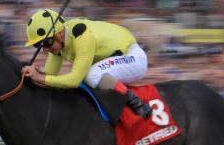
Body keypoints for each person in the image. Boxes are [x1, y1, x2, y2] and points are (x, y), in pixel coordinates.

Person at [21, 8, 152, 119]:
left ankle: (134, 101)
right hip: (115, 60)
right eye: (39, 45)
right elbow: (49, 77)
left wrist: (39, 77)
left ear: (60, 33)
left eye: (46, 42)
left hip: (132, 58)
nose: (45, 49)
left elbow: (74, 80)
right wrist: (34, 74)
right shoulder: (58, 42)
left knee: (91, 75)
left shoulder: (83, 37)